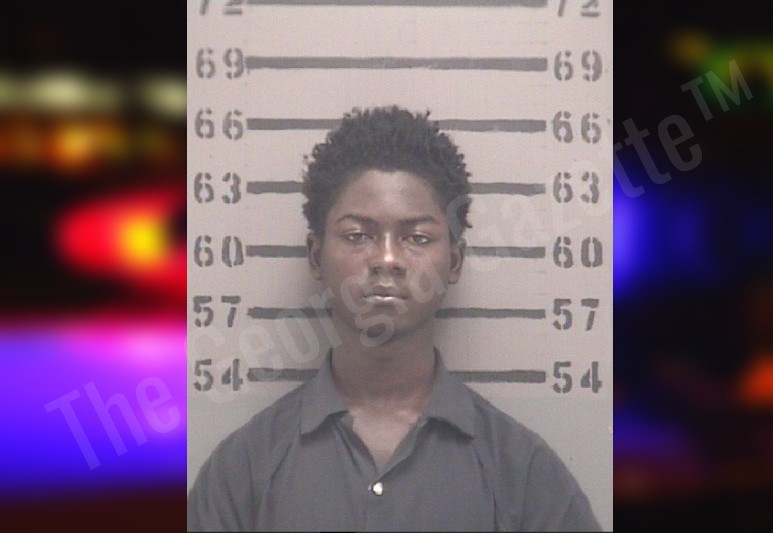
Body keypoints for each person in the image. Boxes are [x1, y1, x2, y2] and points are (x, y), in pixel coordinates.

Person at [187, 106, 602, 531]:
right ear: (316, 255)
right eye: (357, 235)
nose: (387, 258)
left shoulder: (525, 476)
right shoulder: (242, 473)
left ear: (455, 261)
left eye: (417, 237)